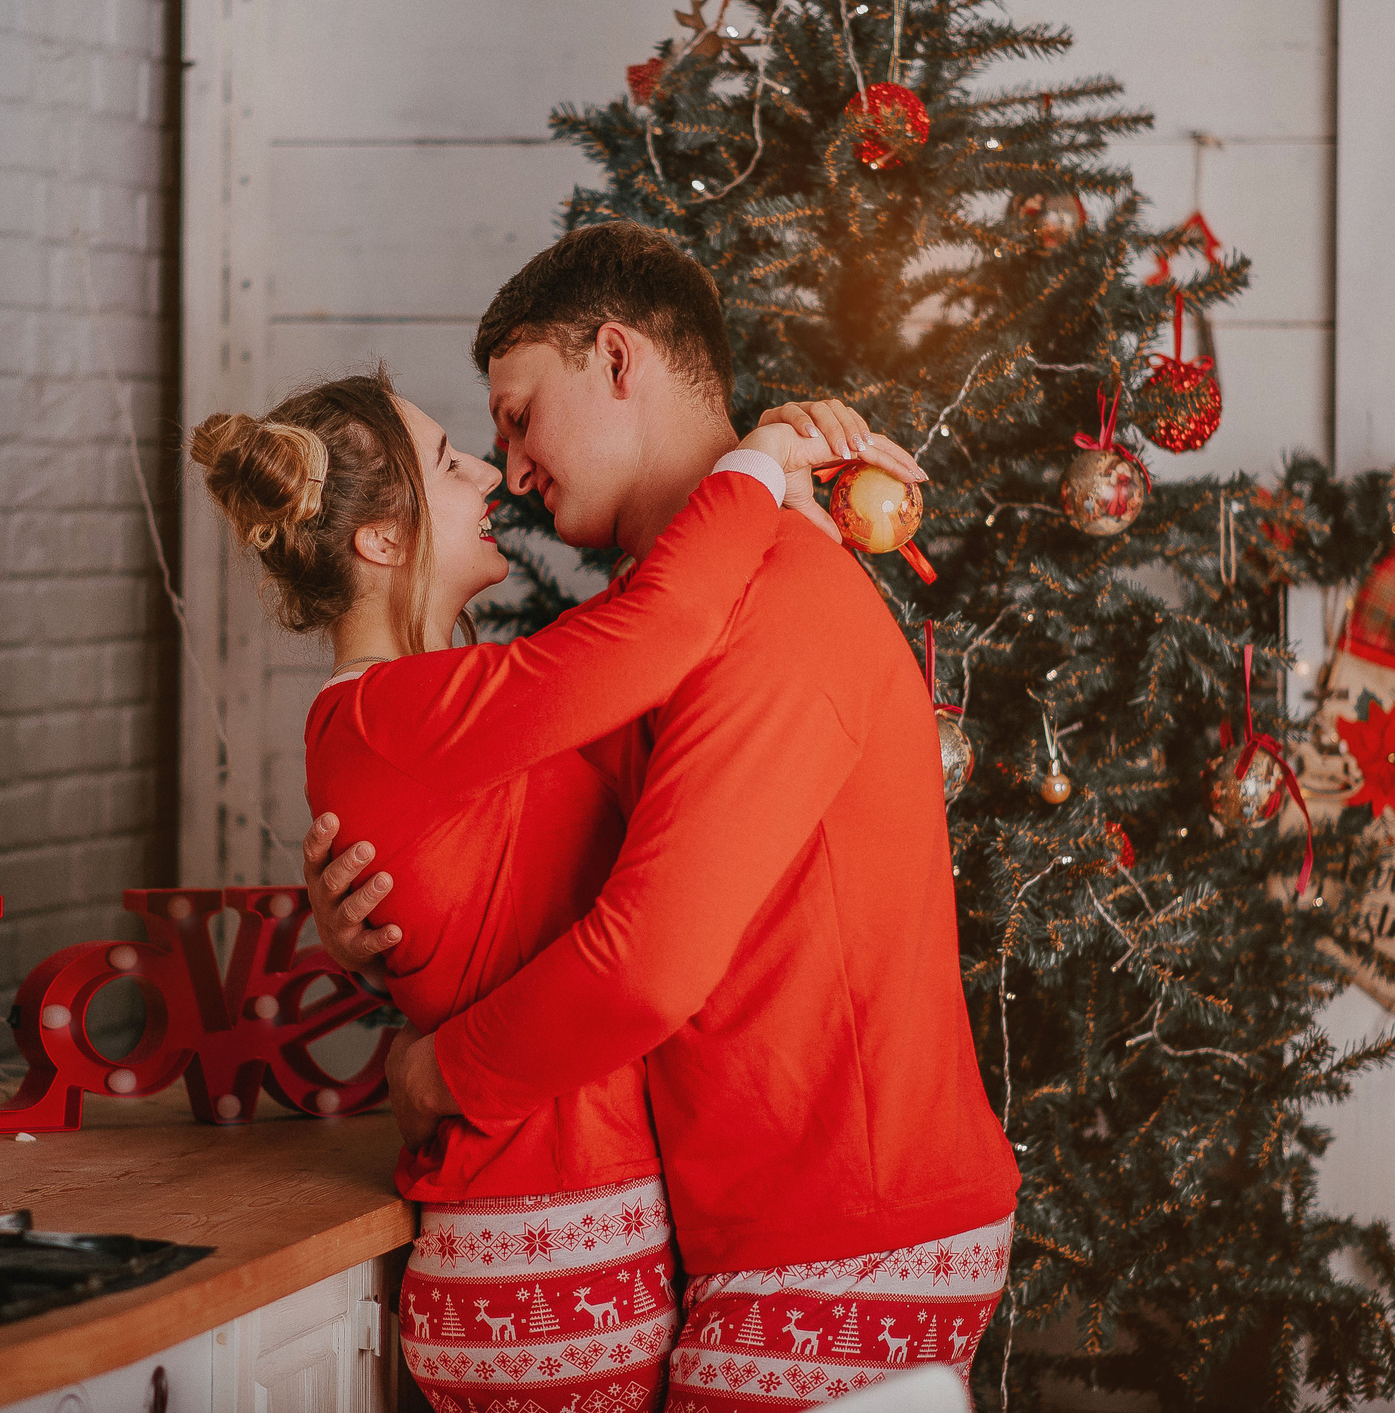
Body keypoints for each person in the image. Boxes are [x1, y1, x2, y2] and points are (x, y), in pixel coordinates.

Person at [303, 221, 1019, 1407]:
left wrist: (437, 1076)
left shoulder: (770, 597)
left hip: (843, 1226)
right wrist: (360, 912)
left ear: (615, 358)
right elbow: (516, 852)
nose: (511, 471)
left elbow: (646, 965)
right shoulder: (662, 617)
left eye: (519, 417)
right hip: (759, 1222)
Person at [190, 367, 902, 1413]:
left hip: (561, 1241)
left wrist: (789, 518)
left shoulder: (439, 713)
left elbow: (643, 669)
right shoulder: (398, 713)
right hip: (543, 1249)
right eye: (449, 463)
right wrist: (755, 460)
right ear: (380, 541)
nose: (489, 475)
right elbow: (655, 633)